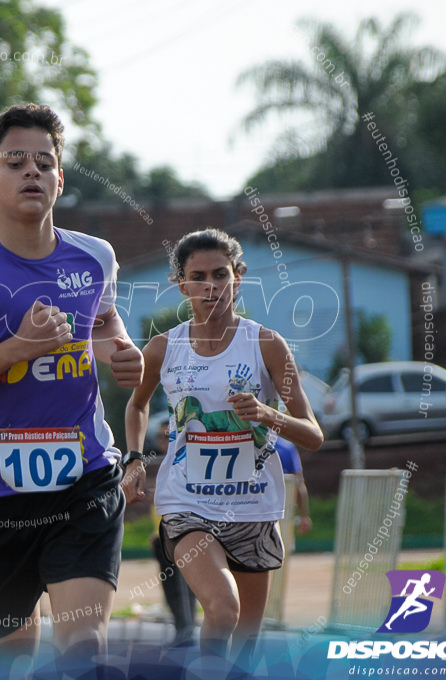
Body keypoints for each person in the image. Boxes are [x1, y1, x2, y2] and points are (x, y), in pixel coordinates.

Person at [0, 103, 144, 676]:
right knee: (10, 658)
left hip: (84, 477)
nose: (31, 172)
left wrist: (122, 349)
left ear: (60, 179)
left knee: (84, 649)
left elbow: (104, 323)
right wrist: (16, 349)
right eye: (15, 162)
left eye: (45, 162)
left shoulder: (95, 257)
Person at [124, 228, 323, 664]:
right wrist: (135, 459)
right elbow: (136, 405)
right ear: (181, 284)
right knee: (222, 607)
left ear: (239, 276)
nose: (210, 286)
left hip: (253, 508)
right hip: (188, 505)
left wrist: (267, 415)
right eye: (198, 277)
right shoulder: (163, 348)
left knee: (245, 645)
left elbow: (312, 434)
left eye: (220, 274)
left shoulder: (267, 345)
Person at [149, 420, 198, 646]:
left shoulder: (185, 460)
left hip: (181, 532)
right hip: (163, 535)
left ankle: (186, 630)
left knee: (182, 584)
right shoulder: (164, 462)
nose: (162, 441)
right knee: (172, 585)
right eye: (160, 437)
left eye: (167, 436)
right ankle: (184, 628)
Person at [274, 436, 312, 535]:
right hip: (284, 513)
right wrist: (304, 515)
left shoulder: (249, 443)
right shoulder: (287, 447)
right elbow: (299, 483)